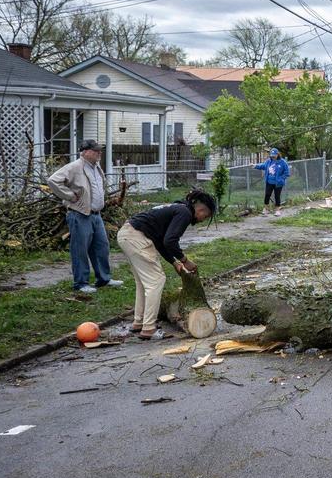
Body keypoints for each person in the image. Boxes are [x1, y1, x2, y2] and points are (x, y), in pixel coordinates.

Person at [117, 189, 217, 340]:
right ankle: (148, 327)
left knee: (143, 283)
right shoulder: (185, 213)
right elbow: (170, 241)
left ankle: (139, 322)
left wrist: (174, 262)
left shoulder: (177, 208)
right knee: (156, 281)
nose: (203, 219)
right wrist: (185, 260)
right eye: (206, 216)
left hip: (128, 234)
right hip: (136, 237)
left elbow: (161, 240)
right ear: (201, 209)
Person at [46, 139, 122, 293]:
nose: (99, 153)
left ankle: (104, 279)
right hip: (79, 214)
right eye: (96, 151)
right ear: (85, 152)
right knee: (80, 249)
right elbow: (53, 181)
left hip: (96, 214)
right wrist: (69, 196)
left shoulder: (96, 167)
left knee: (101, 247)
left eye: (99, 150)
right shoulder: (75, 167)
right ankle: (81, 283)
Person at [254, 148, 291, 216]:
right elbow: (263, 166)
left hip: (278, 183)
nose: (273, 157)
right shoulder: (268, 161)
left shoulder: (283, 162)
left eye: (274, 155)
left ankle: (277, 210)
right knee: (267, 195)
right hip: (269, 182)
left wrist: (281, 179)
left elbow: (287, 173)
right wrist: (255, 166)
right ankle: (266, 209)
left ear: (278, 154)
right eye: (272, 155)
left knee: (277, 196)